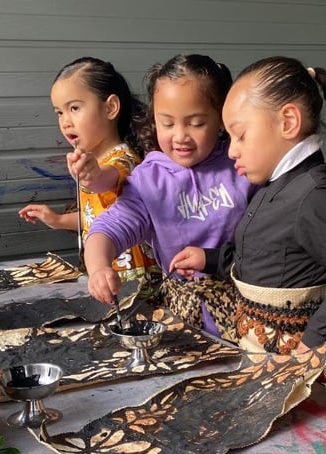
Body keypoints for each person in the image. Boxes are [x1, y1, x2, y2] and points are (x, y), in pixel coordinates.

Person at [170, 56, 326, 396]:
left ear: (288, 121)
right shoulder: (274, 188)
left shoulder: (316, 195)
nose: (232, 151)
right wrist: (211, 259)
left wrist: (321, 338)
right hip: (267, 360)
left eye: (240, 135)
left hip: (306, 372)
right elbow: (270, 260)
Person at [84, 54, 254, 339]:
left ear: (222, 118)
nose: (180, 137)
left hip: (252, 310)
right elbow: (108, 228)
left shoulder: (243, 163)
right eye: (167, 123)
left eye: (196, 123)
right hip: (186, 319)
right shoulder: (150, 179)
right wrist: (99, 267)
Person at [19, 57, 157, 281]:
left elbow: (107, 178)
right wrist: (56, 220)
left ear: (111, 108)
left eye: (74, 108)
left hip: (132, 280)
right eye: (59, 113)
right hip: (104, 278)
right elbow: (94, 215)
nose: (65, 121)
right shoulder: (93, 160)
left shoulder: (124, 159)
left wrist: (92, 177)